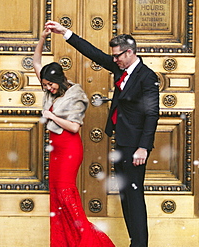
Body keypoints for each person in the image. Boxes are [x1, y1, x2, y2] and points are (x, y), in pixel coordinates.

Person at [45, 21, 159, 247]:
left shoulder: (147, 77)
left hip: (136, 148)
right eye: (114, 56)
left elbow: (152, 114)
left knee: (134, 199)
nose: (114, 59)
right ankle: (134, 242)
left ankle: (140, 244)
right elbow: (94, 54)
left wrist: (143, 148)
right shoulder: (121, 68)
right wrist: (65, 33)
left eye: (117, 56)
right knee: (127, 198)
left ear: (130, 52)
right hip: (123, 143)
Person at [33, 28, 115, 247]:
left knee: (67, 197)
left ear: (60, 80)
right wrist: (42, 39)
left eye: (50, 84)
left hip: (69, 149)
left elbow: (74, 127)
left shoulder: (75, 95)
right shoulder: (51, 89)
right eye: (45, 85)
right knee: (57, 197)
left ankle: (91, 242)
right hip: (56, 149)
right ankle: (65, 242)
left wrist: (51, 115)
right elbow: (36, 63)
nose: (48, 88)